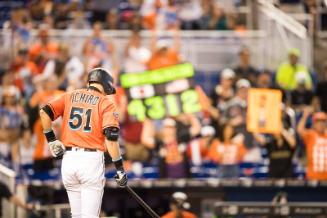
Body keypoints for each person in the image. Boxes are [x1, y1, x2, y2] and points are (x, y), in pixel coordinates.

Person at [39, 68, 128, 217]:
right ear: (106, 84)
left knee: (77, 215)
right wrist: (119, 168)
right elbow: (111, 140)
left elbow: (44, 112)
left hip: (68, 160)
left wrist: (52, 140)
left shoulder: (70, 95)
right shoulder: (106, 103)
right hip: (90, 162)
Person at [297, 107, 327, 180]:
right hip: (313, 177)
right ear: (314, 124)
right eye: (318, 122)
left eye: (323, 122)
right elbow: (299, 130)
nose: (321, 124)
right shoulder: (310, 135)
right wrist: (305, 116)